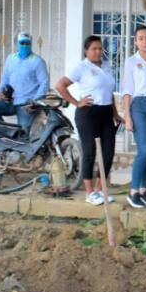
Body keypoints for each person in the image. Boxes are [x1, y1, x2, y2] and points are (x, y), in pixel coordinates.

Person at [55, 35, 120, 205]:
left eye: (100, 48)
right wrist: (76, 102)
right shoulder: (81, 67)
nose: (98, 52)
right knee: (90, 151)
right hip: (88, 113)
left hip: (106, 112)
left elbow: (109, 92)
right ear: (86, 50)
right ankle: (89, 192)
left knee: (108, 153)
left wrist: (115, 113)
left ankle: (101, 190)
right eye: (94, 49)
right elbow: (60, 85)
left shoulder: (107, 66)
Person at [119, 25, 146, 208]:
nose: (144, 41)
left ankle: (143, 190)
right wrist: (127, 116)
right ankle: (133, 192)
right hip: (138, 106)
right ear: (135, 41)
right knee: (143, 150)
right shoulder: (131, 62)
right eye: (140, 38)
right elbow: (127, 91)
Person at [0, 32, 49, 134]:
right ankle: (8, 136)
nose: (25, 45)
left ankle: (17, 140)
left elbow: (44, 82)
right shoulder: (11, 58)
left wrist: (36, 102)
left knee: (24, 134)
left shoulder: (38, 61)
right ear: (17, 44)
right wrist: (1, 92)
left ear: (31, 44)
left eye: (27, 43)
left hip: (27, 104)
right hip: (10, 101)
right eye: (22, 43)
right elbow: (5, 78)